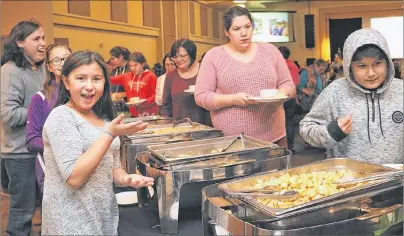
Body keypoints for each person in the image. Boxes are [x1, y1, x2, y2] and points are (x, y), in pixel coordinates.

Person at [41, 51, 154, 234]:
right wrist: (109, 134)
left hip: (103, 217)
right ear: (66, 82)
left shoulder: (103, 119)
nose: (89, 86)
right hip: (71, 222)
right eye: (81, 78)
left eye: (96, 79)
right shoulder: (61, 117)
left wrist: (127, 179)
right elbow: (74, 177)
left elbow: (112, 167)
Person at [300, 28, 403, 164]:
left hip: (397, 180)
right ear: (349, 67)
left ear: (388, 63)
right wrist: (331, 132)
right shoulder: (335, 92)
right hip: (348, 180)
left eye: (377, 64)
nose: (371, 73)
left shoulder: (400, 90)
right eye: (362, 66)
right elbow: (306, 128)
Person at [195, 6, 295, 146]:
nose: (244, 33)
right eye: (236, 29)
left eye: (247, 27)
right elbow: (201, 96)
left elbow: (288, 84)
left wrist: (280, 94)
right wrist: (232, 99)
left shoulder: (270, 51)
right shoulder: (214, 56)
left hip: (275, 136)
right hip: (232, 141)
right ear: (227, 32)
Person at [0, 19, 46, 235]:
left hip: (40, 152)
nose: (43, 43)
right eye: (36, 39)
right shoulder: (10, 71)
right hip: (19, 155)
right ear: (19, 42)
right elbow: (8, 114)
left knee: (43, 207)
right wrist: (44, 110)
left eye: (43, 38)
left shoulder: (40, 69)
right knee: (22, 214)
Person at [25, 43, 72, 197]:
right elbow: (32, 140)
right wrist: (60, 146)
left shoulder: (84, 94)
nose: (63, 63)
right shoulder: (41, 98)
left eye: (66, 58)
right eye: (56, 60)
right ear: (50, 67)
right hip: (52, 172)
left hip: (82, 167)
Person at [161, 39, 212, 126]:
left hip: (206, 126)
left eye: (182, 56)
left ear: (191, 55)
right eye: (175, 57)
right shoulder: (171, 76)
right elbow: (166, 105)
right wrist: (166, 126)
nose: (178, 60)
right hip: (180, 128)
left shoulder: (205, 70)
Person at [110, 52, 158, 117]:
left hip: (149, 113)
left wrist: (146, 102)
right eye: (130, 66)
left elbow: (156, 94)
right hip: (134, 113)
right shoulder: (127, 76)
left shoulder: (150, 76)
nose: (133, 68)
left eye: (135, 65)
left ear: (143, 64)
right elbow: (111, 79)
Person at [278, 46, 299, 152]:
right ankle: (290, 147)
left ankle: (281, 148)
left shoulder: (277, 66)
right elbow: (297, 83)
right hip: (291, 98)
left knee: (278, 124)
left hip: (279, 98)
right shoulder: (294, 66)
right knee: (290, 123)